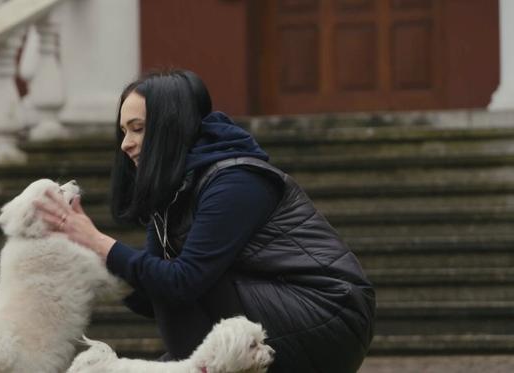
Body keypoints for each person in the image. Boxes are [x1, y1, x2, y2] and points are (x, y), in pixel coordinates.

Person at [35, 69, 376, 372]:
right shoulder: (173, 189)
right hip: (276, 312)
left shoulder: (235, 179)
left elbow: (182, 284)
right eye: (124, 131)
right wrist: (81, 254)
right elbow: (149, 296)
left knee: (180, 279)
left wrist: (97, 241)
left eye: (137, 129)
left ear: (170, 126)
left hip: (329, 314)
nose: (125, 143)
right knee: (167, 280)